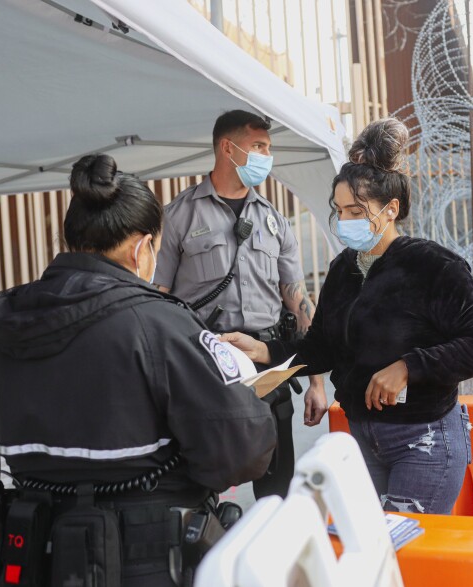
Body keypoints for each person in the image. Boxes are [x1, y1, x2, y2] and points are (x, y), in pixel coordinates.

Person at [0, 154, 276, 586]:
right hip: (146, 560)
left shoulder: (0, 328)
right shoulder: (162, 325)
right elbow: (242, 449)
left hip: (31, 553)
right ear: (141, 248)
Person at [222, 118, 473, 515]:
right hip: (362, 438)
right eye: (339, 210)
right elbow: (321, 348)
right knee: (374, 560)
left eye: (356, 210)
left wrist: (409, 367)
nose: (345, 220)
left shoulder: (432, 265)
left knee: (408, 558)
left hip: (423, 439)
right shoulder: (342, 270)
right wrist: (263, 350)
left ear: (390, 209)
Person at [155, 110, 326, 499]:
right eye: (259, 147)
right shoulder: (179, 216)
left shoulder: (273, 221)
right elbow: (159, 296)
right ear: (227, 148)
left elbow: (297, 298)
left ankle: (273, 555)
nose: (267, 156)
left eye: (269, 147)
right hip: (207, 366)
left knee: (277, 484)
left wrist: (316, 381)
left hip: (269, 362)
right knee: (203, 479)